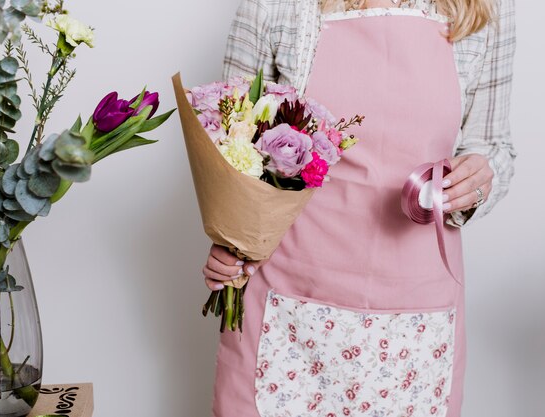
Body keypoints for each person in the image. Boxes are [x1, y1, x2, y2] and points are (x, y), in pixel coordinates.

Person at [202, 0, 516, 415]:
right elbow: (231, 139)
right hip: (285, 303)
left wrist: (478, 179)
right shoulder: (274, 5)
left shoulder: (486, 8)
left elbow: (493, 146)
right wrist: (232, 238)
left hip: (416, 315)